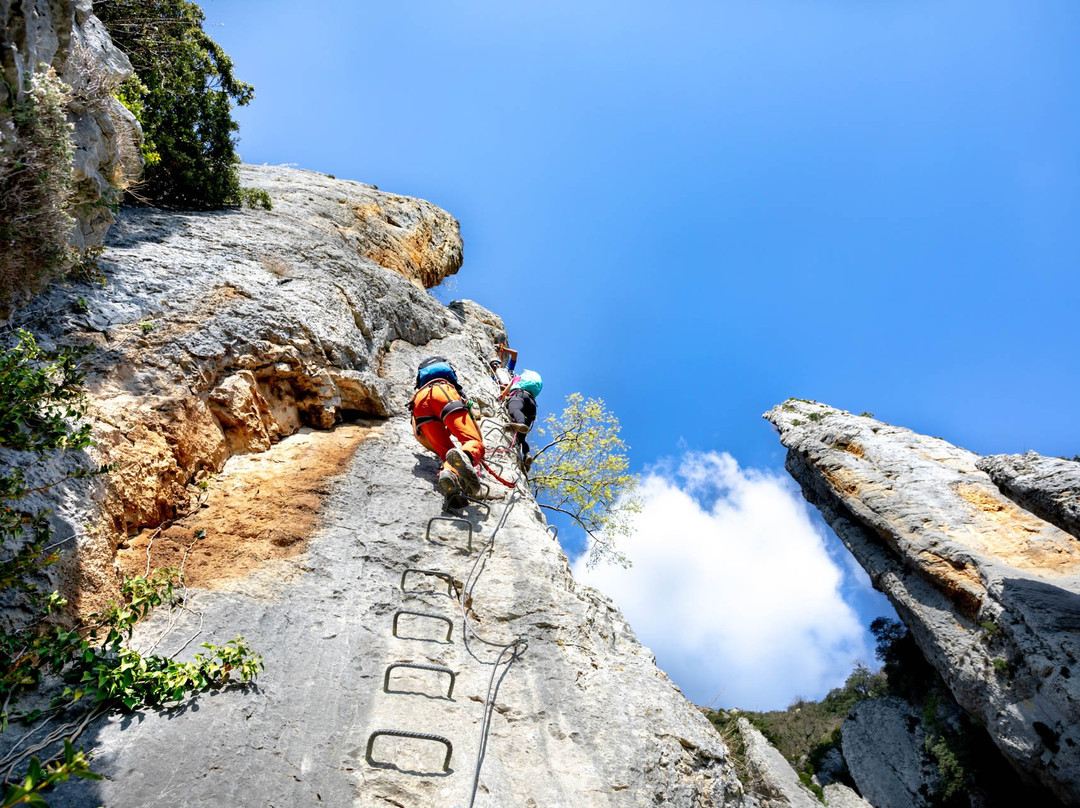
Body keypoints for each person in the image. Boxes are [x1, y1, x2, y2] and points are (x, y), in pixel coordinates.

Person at [408, 356, 484, 498]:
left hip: (418, 404)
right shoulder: (453, 387)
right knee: (473, 443)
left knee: (447, 453)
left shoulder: (420, 386)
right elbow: (472, 426)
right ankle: (460, 461)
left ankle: (448, 474)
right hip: (442, 392)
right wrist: (477, 452)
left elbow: (418, 434)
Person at [500, 369, 542, 468]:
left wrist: (501, 396)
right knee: (522, 439)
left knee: (514, 409)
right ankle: (527, 454)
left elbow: (505, 392)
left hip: (520, 395)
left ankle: (520, 423)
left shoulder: (517, 379)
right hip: (532, 404)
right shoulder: (532, 386)